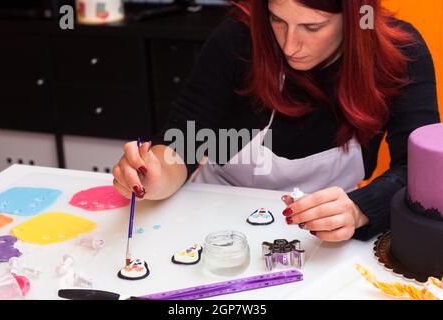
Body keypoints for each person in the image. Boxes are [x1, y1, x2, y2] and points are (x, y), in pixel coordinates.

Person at [112, 0, 440, 242]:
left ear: (354, 18)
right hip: (215, 216)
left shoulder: (400, 53)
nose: (289, 45)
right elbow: (182, 142)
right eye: (276, 19)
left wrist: (360, 209)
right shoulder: (238, 38)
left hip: (329, 229)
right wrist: (154, 174)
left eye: (312, 27)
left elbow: (422, 170)